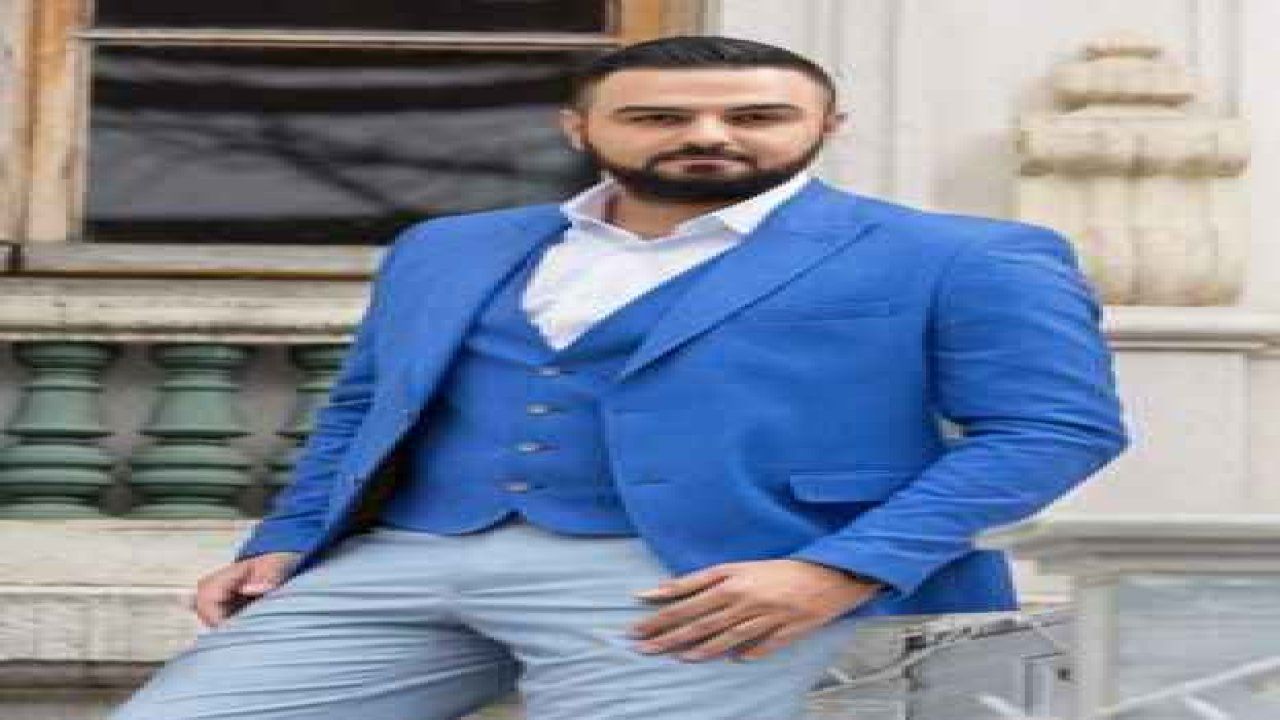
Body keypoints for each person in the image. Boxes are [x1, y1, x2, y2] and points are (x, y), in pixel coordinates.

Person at [110, 35, 1129, 720]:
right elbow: (367, 407)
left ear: (826, 128)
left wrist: (839, 570)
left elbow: (1050, 431)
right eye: (656, 116)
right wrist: (287, 536)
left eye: (756, 115)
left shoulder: (964, 255)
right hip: (404, 557)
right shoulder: (448, 245)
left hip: (714, 575)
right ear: (579, 128)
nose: (708, 135)